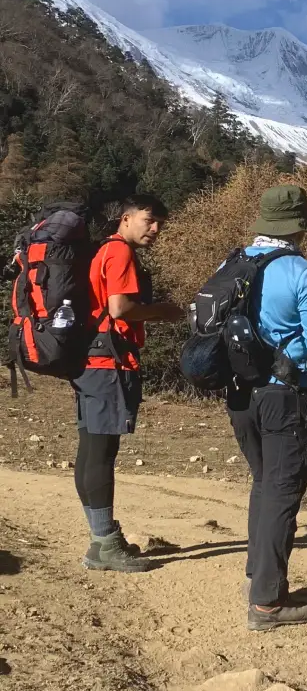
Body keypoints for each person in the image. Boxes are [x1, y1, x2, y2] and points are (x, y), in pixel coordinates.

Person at [227, 185, 307, 632]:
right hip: (285, 395)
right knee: (281, 493)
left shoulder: (233, 263)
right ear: (298, 228)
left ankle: (260, 575)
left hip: (239, 395)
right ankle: (267, 603)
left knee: (263, 483)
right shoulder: (300, 271)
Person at [75, 194, 186, 573]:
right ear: (125, 218)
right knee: (102, 453)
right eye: (149, 220)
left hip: (89, 359)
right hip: (110, 363)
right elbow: (120, 308)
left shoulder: (102, 249)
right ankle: (105, 544)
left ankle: (100, 539)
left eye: (160, 224)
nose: (155, 229)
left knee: (91, 448)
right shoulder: (120, 253)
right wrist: (165, 312)